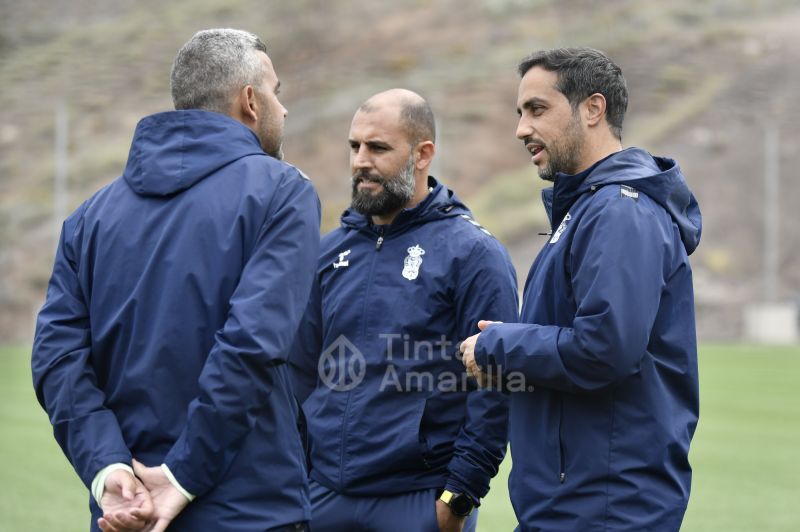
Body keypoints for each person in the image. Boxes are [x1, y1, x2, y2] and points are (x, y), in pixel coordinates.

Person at [31, 29, 320, 532]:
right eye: (277, 92)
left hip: (127, 513)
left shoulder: (88, 217)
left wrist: (107, 469)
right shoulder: (281, 192)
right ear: (250, 101)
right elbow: (251, 345)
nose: (284, 108)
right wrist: (183, 474)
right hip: (248, 511)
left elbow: (57, 359)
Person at [460, 48, 702, 531]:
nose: (521, 129)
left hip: (603, 507)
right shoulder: (591, 209)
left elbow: (605, 347)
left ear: (593, 109)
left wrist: (499, 345)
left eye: (537, 109)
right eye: (520, 112)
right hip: (572, 502)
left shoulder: (620, 212)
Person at [288, 89, 518, 532]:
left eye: (377, 148)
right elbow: (298, 375)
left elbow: (496, 389)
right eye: (354, 146)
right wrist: (297, 477)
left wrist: (459, 496)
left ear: (422, 153)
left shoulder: (473, 254)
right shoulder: (328, 253)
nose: (360, 160)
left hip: (418, 499)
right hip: (322, 496)